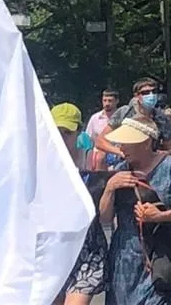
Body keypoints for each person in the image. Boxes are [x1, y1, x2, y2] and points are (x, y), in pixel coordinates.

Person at [99, 117, 171, 305]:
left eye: (127, 142)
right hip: (126, 258)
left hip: (162, 253)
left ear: (145, 142)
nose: (121, 147)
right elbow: (105, 217)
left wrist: (160, 215)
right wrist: (110, 188)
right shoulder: (121, 170)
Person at [53, 103, 107, 305]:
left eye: (67, 132)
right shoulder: (40, 165)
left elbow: (104, 215)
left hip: (87, 250)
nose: (62, 137)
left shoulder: (92, 161)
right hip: (55, 249)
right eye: (57, 132)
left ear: (79, 132)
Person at [96, 78, 171, 161]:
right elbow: (100, 141)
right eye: (145, 93)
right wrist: (120, 152)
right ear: (136, 96)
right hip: (125, 163)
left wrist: (163, 153)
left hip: (152, 164)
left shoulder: (163, 119)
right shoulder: (124, 113)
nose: (151, 95)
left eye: (154, 91)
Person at [85, 89, 119, 170]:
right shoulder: (95, 118)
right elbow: (88, 140)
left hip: (117, 157)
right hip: (98, 159)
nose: (107, 103)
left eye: (110, 101)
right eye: (105, 100)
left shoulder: (122, 118)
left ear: (117, 101)